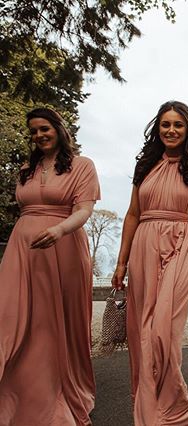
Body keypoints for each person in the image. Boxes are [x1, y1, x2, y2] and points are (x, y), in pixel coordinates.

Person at [111, 101, 188, 425]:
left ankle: (177, 409)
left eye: (178, 124)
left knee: (163, 332)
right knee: (142, 334)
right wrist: (121, 262)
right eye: (165, 124)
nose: (171, 130)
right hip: (144, 248)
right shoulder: (144, 166)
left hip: (180, 247)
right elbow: (133, 214)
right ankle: (155, 407)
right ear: (158, 128)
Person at [0, 107, 100, 424]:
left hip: (65, 248)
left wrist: (59, 229)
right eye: (33, 131)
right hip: (23, 251)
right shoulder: (26, 169)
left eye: (44, 128)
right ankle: (15, 389)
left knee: (56, 323)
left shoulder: (82, 166)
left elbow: (84, 210)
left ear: (58, 128)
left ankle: (56, 390)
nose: (39, 135)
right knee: (12, 315)